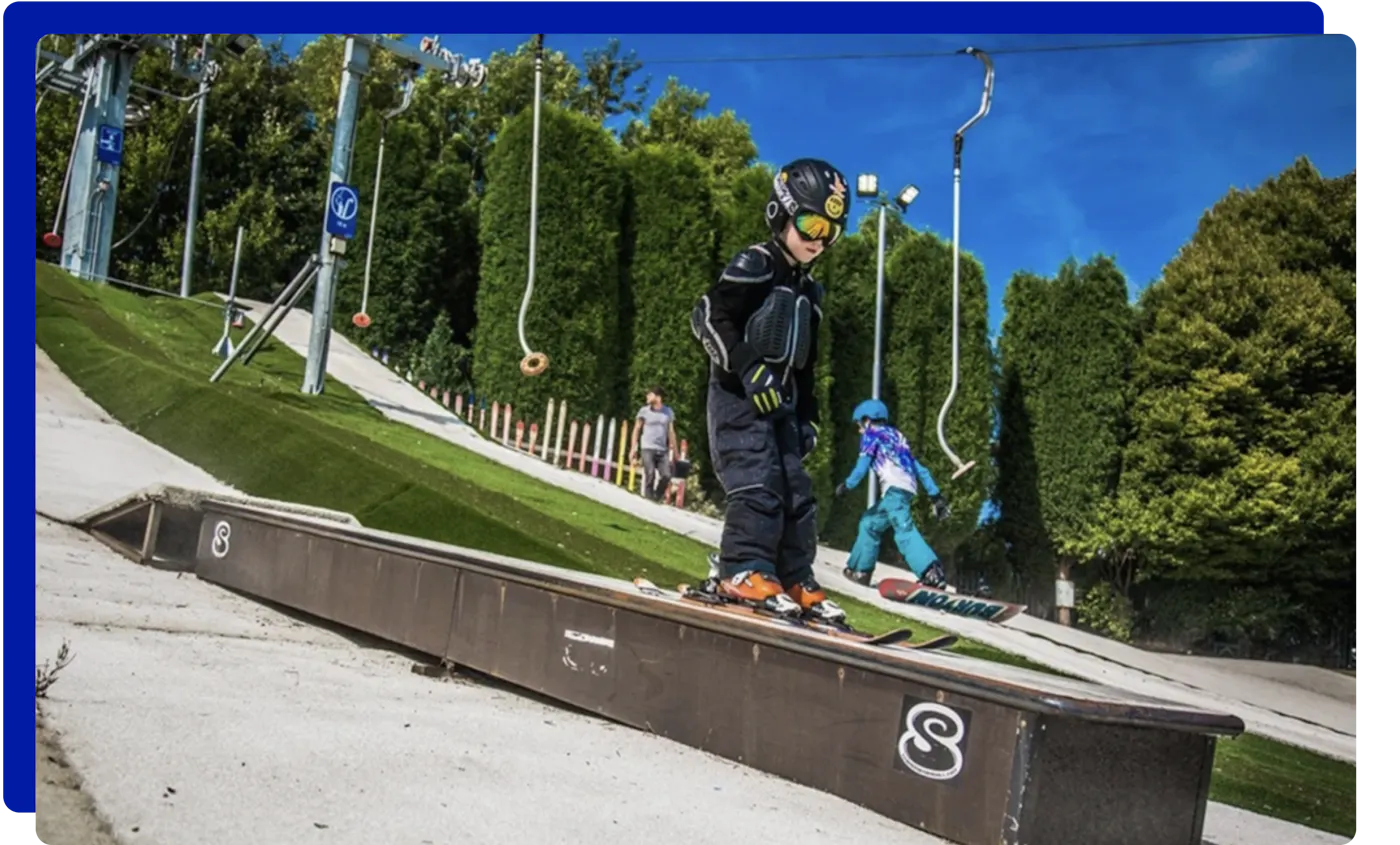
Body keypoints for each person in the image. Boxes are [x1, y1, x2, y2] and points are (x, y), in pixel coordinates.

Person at [689, 158, 850, 623]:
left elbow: (806, 364)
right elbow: (708, 316)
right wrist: (748, 367)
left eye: (830, 231)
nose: (818, 239)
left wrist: (810, 416)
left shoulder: (810, 293)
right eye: (810, 223)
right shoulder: (755, 264)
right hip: (739, 399)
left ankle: (793, 576)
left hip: (783, 405)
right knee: (757, 482)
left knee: (797, 491)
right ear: (781, 213)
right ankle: (742, 569)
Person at [833, 398, 954, 590]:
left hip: (893, 490)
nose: (859, 430)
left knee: (903, 530)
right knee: (869, 523)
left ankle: (930, 572)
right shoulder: (897, 436)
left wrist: (847, 485)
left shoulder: (871, 435)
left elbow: (862, 466)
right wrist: (935, 495)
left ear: (867, 420)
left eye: (859, 424)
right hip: (904, 489)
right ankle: (858, 570)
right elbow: (919, 468)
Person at [630, 386, 678, 502]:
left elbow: (671, 432)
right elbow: (636, 429)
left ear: (658, 397)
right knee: (650, 474)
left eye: (649, 395)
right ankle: (648, 499)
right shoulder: (644, 411)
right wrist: (633, 448)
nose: (647, 397)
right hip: (647, 447)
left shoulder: (668, 412)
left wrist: (676, 452)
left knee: (666, 475)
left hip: (662, 449)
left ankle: (657, 496)